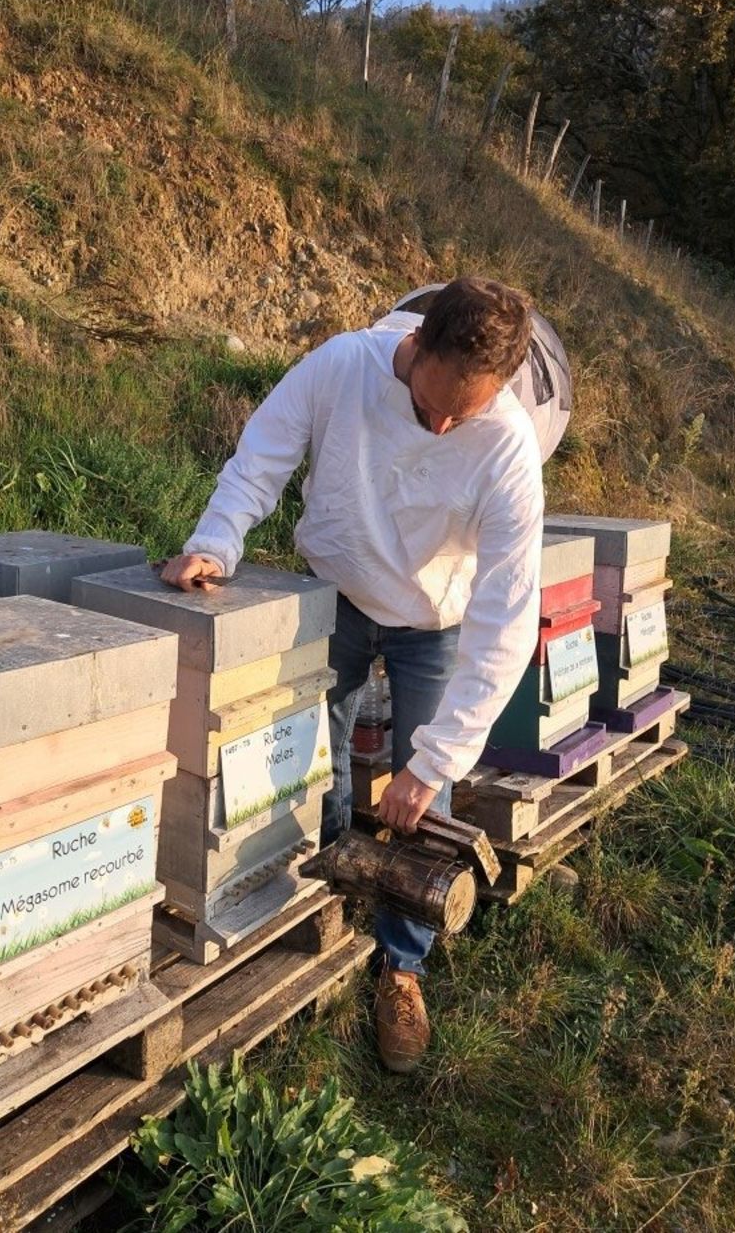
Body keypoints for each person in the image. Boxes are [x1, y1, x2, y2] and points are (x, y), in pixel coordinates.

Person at [161, 276, 546, 1073]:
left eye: (459, 416)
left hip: (433, 620)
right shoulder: (341, 365)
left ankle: (401, 967)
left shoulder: (507, 445)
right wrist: (215, 543)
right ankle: (331, 905)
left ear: (499, 390)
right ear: (418, 341)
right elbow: (258, 459)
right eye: (430, 403)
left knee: (425, 803)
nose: (440, 423)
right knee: (318, 767)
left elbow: (507, 618)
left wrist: (432, 760)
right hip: (331, 595)